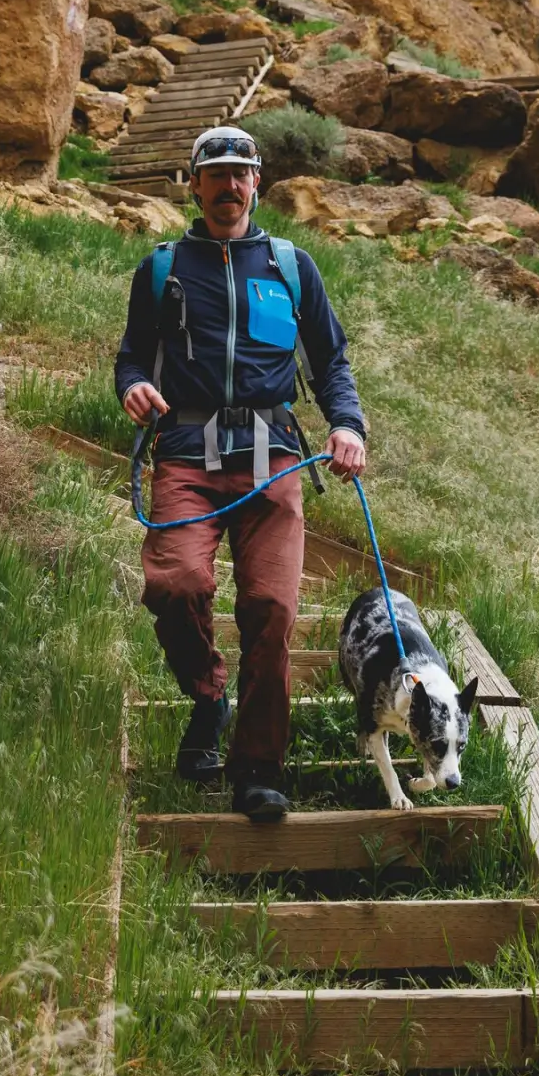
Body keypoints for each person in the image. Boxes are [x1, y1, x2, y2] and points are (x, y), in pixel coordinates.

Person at [114, 126, 367, 818]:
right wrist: (133, 387)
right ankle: (207, 697)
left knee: (272, 608)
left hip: (272, 459)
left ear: (258, 181)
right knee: (175, 585)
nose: (229, 186)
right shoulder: (162, 267)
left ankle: (258, 769)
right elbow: (132, 357)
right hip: (186, 457)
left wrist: (346, 425)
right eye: (215, 174)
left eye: (241, 174)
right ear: (193, 184)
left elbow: (331, 361)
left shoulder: (291, 267)